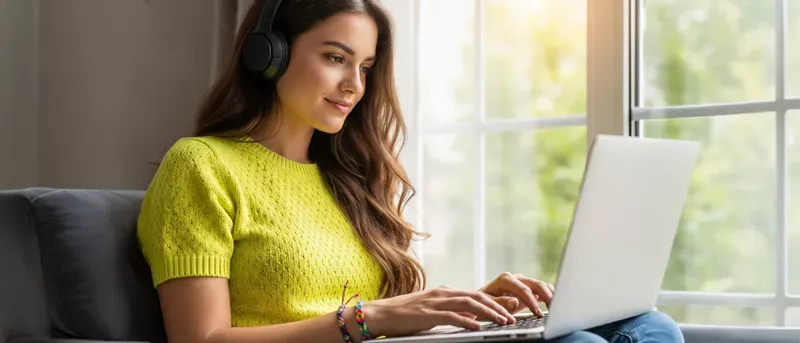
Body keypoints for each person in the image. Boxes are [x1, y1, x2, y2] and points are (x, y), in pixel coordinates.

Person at [136, 0, 685, 342]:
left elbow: (380, 316)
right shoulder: (202, 164)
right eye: (335, 58)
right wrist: (368, 319)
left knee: (650, 326)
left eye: (366, 66)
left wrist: (466, 308)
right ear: (269, 55)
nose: (354, 84)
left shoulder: (348, 176)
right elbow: (200, 338)